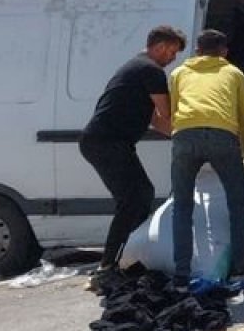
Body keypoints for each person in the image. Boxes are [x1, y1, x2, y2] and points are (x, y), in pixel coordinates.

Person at [80, 26, 187, 287]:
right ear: (160, 46)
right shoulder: (151, 71)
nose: (173, 58)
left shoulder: (137, 68)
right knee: (133, 199)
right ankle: (108, 268)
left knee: (141, 195)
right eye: (172, 52)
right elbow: (167, 113)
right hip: (107, 142)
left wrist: (181, 137)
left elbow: (155, 121)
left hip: (104, 142)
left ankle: (128, 257)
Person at [168, 29, 244, 288]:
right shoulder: (234, 73)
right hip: (223, 137)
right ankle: (240, 268)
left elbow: (175, 113)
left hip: (185, 135)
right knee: (236, 203)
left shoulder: (178, 74)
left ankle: (180, 274)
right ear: (225, 51)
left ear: (197, 51)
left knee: (183, 206)